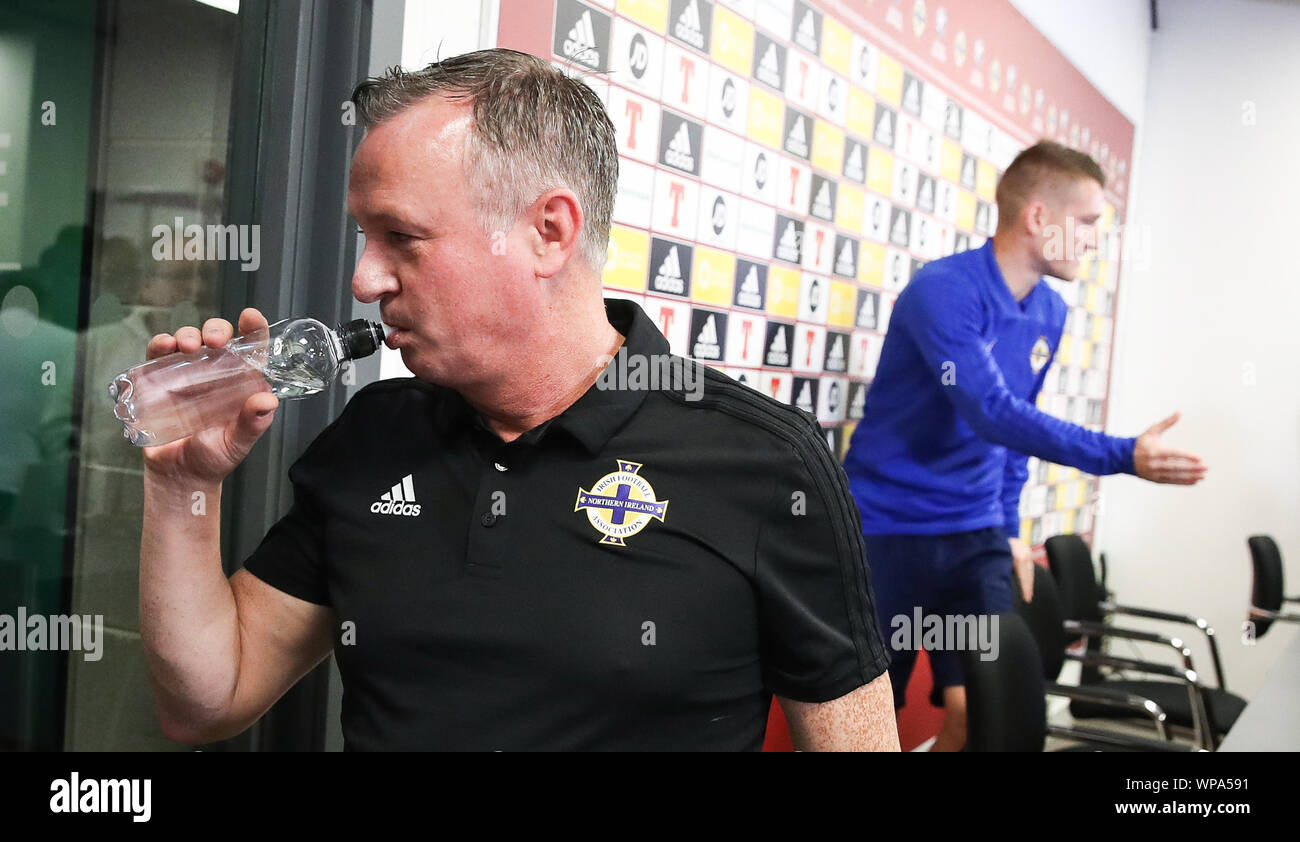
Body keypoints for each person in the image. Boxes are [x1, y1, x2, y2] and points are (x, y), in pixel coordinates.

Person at [138, 49, 899, 751]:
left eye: (401, 236)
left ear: (547, 231)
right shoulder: (373, 434)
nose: (365, 280)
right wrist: (182, 490)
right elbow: (208, 699)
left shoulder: (765, 464)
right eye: (364, 237)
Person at [842, 141, 1207, 751]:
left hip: (975, 534)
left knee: (983, 712)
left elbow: (1016, 431)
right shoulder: (944, 290)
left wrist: (1009, 526)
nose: (1095, 241)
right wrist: (1122, 455)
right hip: (886, 529)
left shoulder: (1051, 312)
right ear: (1039, 217)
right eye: (1088, 223)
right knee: (864, 722)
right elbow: (991, 411)